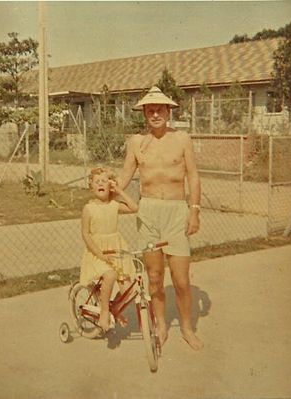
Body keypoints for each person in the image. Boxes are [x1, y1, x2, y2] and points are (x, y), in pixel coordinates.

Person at [118, 86, 203, 350]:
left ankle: (187, 328)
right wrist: (105, 198)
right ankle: (161, 326)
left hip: (177, 212)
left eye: (159, 109)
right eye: (150, 110)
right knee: (154, 278)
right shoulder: (136, 142)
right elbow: (124, 176)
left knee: (181, 280)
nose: (155, 114)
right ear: (144, 113)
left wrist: (195, 209)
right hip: (148, 213)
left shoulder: (182, 139)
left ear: (168, 111)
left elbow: (193, 176)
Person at [80, 167, 139, 332]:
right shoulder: (89, 209)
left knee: (130, 290)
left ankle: (114, 309)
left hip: (116, 250)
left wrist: (119, 190)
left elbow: (135, 208)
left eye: (104, 181)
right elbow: (85, 234)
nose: (100, 183)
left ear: (110, 185)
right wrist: (99, 253)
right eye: (97, 181)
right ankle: (105, 311)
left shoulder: (114, 205)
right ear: (91, 187)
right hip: (97, 252)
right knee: (110, 274)